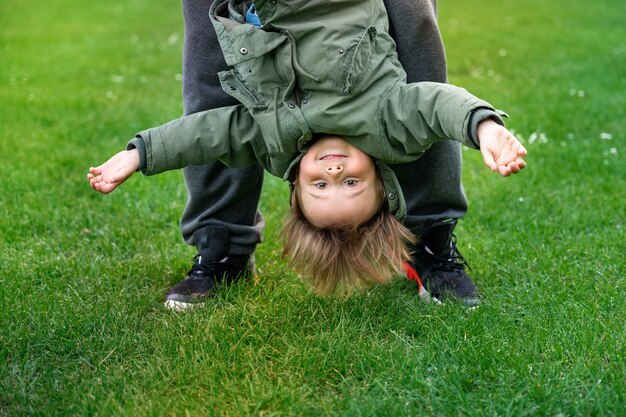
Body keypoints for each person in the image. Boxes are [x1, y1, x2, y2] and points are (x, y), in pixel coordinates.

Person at [88, 0, 527, 304]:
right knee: (423, 73)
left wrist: (137, 154)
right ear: (379, 172)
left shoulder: (274, 141)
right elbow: (438, 105)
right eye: (351, 181)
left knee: (216, 71)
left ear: (295, 183)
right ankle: (223, 247)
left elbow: (206, 133)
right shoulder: (387, 122)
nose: (333, 169)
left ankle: (428, 240)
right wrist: (485, 127)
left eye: (322, 184)